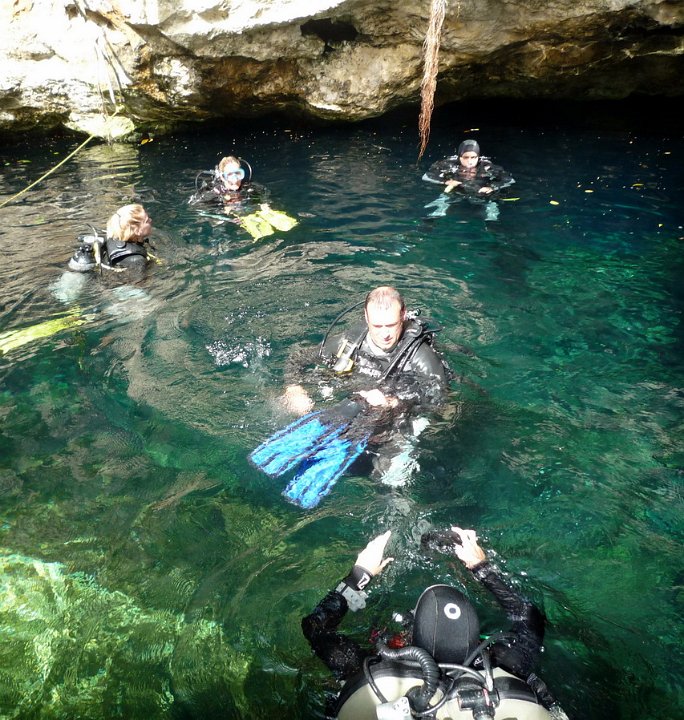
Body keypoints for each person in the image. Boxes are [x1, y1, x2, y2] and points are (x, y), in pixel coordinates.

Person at [302, 528, 568, 719]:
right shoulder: (506, 662)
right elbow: (528, 615)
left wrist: (359, 576)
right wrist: (481, 567)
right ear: (473, 635)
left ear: (411, 639)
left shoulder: (368, 668)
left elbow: (315, 627)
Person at [281, 286, 451, 486]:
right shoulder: (348, 343)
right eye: (377, 326)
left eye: (391, 325)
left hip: (401, 419)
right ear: (366, 317)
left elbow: (439, 401)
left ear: (403, 315)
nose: (385, 334)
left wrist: (393, 403)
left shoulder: (421, 357)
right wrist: (293, 389)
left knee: (391, 479)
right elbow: (298, 358)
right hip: (357, 407)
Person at [67, 203, 153, 274]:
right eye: (146, 221)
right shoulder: (136, 259)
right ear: (137, 231)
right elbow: (139, 284)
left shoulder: (110, 239)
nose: (150, 220)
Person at [422, 139, 514, 197]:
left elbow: (509, 180)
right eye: (466, 157)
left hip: (480, 190)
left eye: (473, 157)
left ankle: (491, 218)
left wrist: (491, 187)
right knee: (446, 195)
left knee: (490, 196)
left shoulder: (486, 165)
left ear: (478, 157)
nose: (470, 161)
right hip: (455, 188)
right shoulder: (448, 164)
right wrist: (445, 181)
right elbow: (427, 176)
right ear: (459, 157)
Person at [187, 155, 268, 208]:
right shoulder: (214, 192)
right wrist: (222, 209)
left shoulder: (247, 186)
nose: (235, 179)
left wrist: (263, 204)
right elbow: (195, 206)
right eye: (230, 175)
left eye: (238, 173)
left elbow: (262, 193)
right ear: (222, 177)